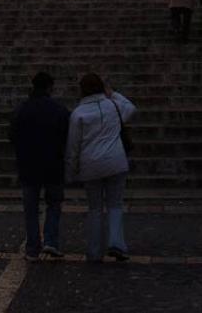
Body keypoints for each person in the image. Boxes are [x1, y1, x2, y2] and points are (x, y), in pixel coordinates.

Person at [65, 73, 136, 263]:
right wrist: (113, 93)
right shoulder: (112, 106)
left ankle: (94, 251)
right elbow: (131, 109)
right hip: (115, 161)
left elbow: (73, 145)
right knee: (115, 204)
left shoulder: (78, 113)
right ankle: (117, 243)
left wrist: (71, 170)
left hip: (91, 165)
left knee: (95, 208)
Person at [9, 72, 70, 262]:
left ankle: (32, 247)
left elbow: (12, 135)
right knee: (53, 204)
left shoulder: (21, 109)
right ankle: (51, 240)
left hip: (28, 165)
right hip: (53, 164)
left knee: (31, 208)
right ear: (50, 87)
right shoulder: (59, 110)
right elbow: (67, 136)